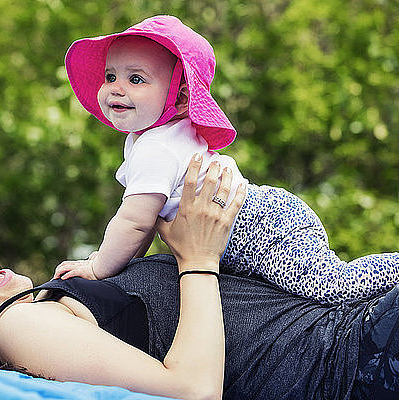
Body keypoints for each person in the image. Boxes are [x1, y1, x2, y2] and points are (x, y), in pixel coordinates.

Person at [0, 156, 399, 399]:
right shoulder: (19, 327)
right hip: (354, 360)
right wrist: (196, 258)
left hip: (361, 323)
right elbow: (191, 391)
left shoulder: (47, 300)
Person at [54, 14, 399, 304]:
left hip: (262, 228)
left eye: (136, 78)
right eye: (111, 76)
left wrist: (98, 267)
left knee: (332, 286)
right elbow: (140, 229)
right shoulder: (157, 138)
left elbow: (134, 223)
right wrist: (123, 268)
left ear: (182, 96)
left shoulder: (155, 148)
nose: (116, 87)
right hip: (260, 216)